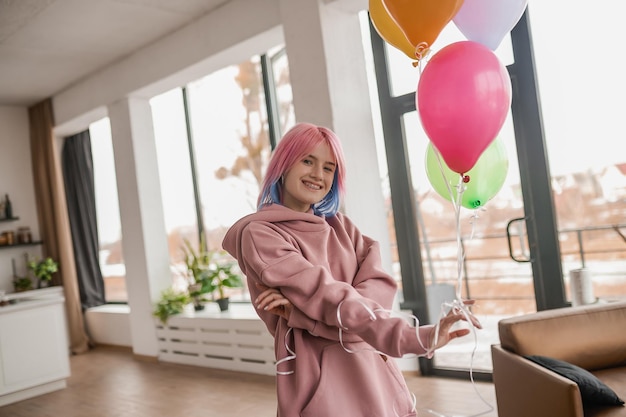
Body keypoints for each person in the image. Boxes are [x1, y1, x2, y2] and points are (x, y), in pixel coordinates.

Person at [222, 122, 481, 417]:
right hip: (322, 386)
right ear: (283, 164)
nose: (318, 174)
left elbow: (372, 292)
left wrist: (306, 315)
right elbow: (328, 296)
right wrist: (409, 336)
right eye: (307, 160)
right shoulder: (260, 234)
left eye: (329, 168)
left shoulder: (342, 227)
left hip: (374, 371)